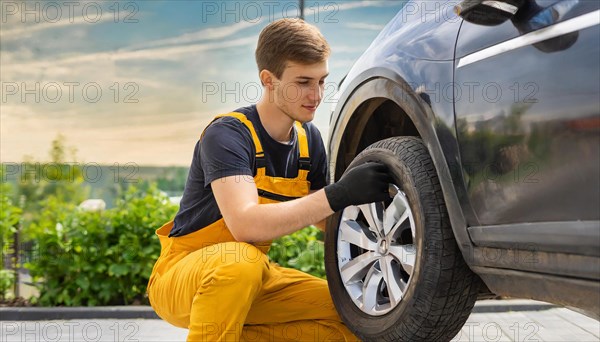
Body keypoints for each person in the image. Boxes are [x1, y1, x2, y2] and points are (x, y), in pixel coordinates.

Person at [147, 18, 393, 341]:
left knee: (354, 313)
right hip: (182, 276)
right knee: (240, 262)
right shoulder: (228, 135)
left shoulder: (309, 142)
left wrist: (386, 222)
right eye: (303, 81)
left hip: (254, 276)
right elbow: (245, 225)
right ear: (269, 79)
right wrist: (338, 194)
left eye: (322, 81)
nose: (316, 94)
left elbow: (326, 221)